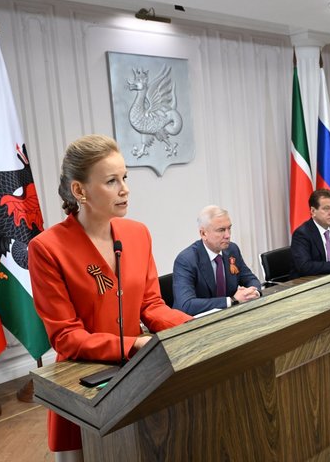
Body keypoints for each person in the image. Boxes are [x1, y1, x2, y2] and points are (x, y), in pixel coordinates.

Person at [28, 134, 192, 461]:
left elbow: (151, 305)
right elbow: (66, 336)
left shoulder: (137, 233)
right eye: (111, 181)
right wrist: (133, 344)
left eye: (125, 177)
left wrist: (194, 326)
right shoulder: (46, 248)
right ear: (79, 190)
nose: (125, 189)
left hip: (141, 376)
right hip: (83, 385)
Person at [173, 205, 262, 316]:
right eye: (221, 230)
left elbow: (250, 279)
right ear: (203, 233)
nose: (228, 235)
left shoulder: (232, 250)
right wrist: (231, 300)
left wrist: (254, 292)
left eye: (229, 228)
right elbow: (186, 305)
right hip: (195, 322)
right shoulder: (186, 260)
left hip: (228, 317)